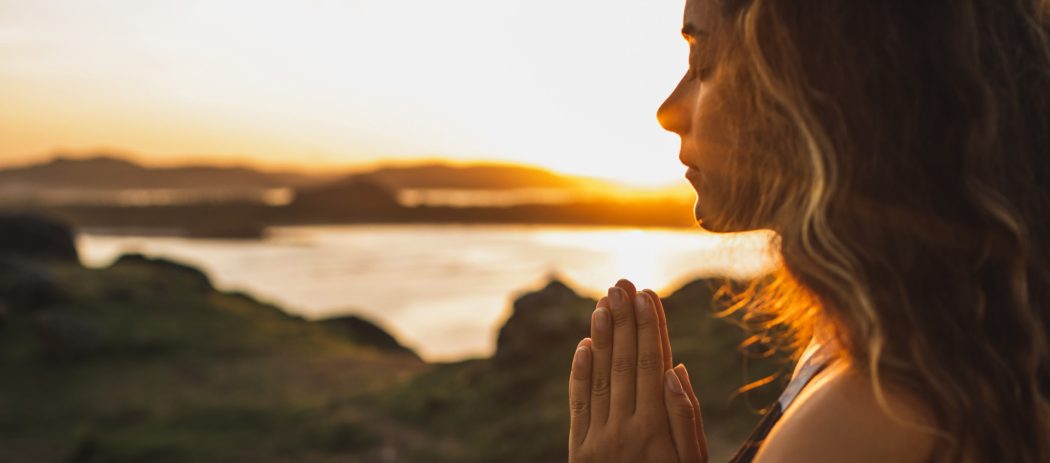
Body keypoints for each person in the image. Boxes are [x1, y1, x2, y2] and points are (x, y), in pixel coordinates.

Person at [566, 0, 1050, 461]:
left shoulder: (865, 422)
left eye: (703, 61)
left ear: (819, 82)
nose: (668, 111)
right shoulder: (907, 355)